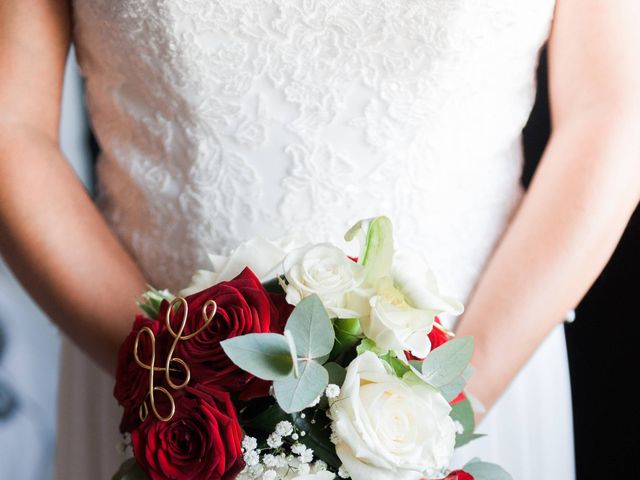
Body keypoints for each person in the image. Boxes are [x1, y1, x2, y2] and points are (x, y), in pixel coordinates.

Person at [0, 1, 638, 479]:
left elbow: (610, 112)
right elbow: (11, 129)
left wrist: (442, 411)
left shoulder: (456, 403)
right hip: (153, 387)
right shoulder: (162, 386)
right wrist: (171, 385)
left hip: (480, 365)